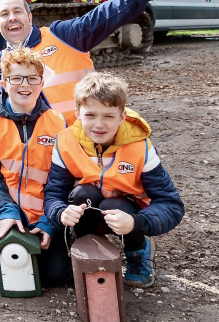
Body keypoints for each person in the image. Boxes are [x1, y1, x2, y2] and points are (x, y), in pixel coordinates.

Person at [43, 72, 184, 288]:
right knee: (83, 195)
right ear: (77, 113)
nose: (99, 125)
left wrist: (136, 223)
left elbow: (171, 205)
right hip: (88, 206)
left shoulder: (140, 148)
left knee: (114, 205)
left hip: (127, 214)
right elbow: (54, 193)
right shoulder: (64, 142)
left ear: (122, 116)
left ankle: (137, 251)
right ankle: (89, 248)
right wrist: (61, 212)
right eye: (90, 115)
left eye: (108, 116)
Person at [0, 0, 172, 124]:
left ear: (29, 17)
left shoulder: (62, 36)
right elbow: (5, 110)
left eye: (18, 11)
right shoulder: (0, 61)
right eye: (5, 14)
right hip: (40, 145)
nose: (12, 18)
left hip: (84, 137)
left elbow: (104, 16)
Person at [0, 48, 71, 287]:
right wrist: (6, 209)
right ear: (3, 82)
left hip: (46, 208)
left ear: (42, 83)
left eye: (32, 79)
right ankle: (6, 242)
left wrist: (49, 220)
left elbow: (64, 179)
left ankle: (38, 240)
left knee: (54, 277)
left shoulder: (58, 122)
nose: (25, 85)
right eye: (16, 78)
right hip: (10, 203)